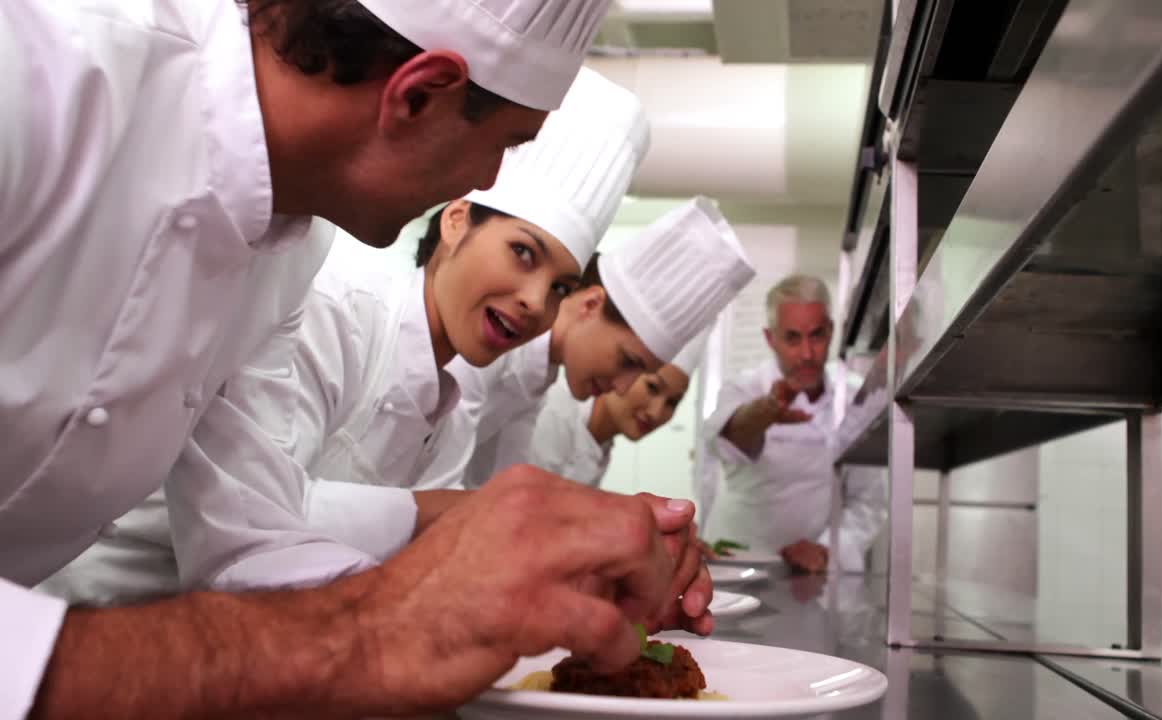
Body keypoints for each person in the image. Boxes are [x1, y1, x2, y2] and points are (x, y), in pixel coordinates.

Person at [0, 0, 697, 716]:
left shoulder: (292, 247)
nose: (487, 181)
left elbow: (252, 534)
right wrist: (389, 611)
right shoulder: (43, 68)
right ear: (418, 93)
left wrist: (484, 590)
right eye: (505, 146)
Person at [37, 67, 653, 604]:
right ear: (458, 221)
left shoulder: (454, 414)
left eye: (558, 288)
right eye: (523, 254)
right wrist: (440, 515)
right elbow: (252, 519)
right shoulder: (334, 305)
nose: (534, 300)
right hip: (101, 617)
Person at [441, 197, 757, 492]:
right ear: (590, 304)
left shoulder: (538, 377)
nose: (620, 388)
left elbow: (498, 496)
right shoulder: (491, 344)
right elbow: (437, 489)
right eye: (628, 362)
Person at [699, 275, 887, 574]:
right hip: (735, 562)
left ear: (831, 331)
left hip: (810, 571)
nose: (807, 354)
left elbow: (868, 500)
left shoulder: (854, 398)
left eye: (816, 335)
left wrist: (827, 550)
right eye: (792, 338)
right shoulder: (745, 388)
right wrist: (767, 410)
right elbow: (730, 439)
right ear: (770, 338)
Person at [529, 330, 710, 488]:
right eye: (652, 387)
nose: (656, 412)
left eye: (672, 402)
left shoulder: (602, 443)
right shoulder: (554, 414)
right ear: (625, 369)